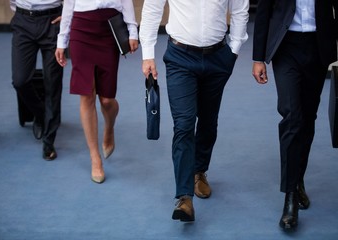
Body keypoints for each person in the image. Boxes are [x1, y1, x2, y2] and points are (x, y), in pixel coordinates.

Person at [140, 0, 249, 221]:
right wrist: (148, 54)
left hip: (218, 57)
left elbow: (240, 8)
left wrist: (234, 49)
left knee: (208, 121)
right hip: (180, 57)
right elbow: (152, 8)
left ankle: (199, 171)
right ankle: (184, 197)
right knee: (184, 123)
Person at [252, 0, 338, 230]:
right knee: (292, 116)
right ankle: (290, 197)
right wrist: (258, 58)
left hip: (318, 46)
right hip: (286, 45)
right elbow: (264, 10)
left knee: (308, 119)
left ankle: (298, 178)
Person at [55, 0, 139, 184]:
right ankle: (95, 158)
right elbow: (69, 4)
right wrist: (62, 40)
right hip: (81, 27)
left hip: (108, 27)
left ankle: (109, 128)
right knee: (86, 95)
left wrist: (133, 30)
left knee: (107, 100)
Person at [10, 0, 64, 160]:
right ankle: (42, 115)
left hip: (53, 19)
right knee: (20, 81)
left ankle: (49, 141)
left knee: (52, 83)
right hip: (23, 20)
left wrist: (70, 15)